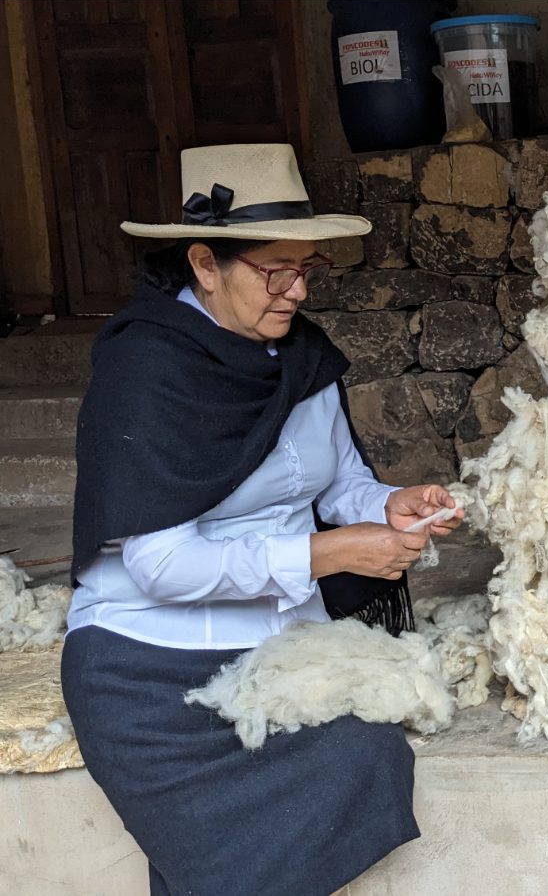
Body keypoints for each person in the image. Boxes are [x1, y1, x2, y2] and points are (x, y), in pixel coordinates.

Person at [61, 143, 464, 896]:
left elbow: (334, 481)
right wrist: (328, 554)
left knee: (368, 756)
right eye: (276, 271)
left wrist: (386, 504)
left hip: (279, 653)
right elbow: (161, 565)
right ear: (204, 264)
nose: (298, 291)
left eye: (308, 268)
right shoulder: (145, 372)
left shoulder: (302, 357)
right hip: (148, 671)